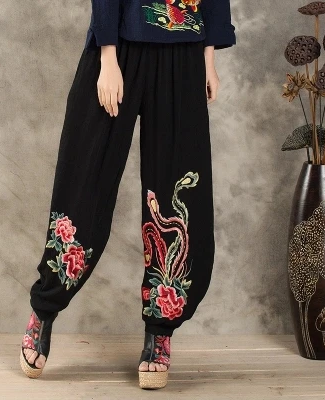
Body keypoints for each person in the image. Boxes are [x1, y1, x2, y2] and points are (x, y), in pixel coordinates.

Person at [19, 0, 236, 390]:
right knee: (84, 181)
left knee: (177, 191)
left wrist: (209, 57)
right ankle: (44, 309)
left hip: (184, 53)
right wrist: (107, 56)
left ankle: (160, 332)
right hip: (119, 47)